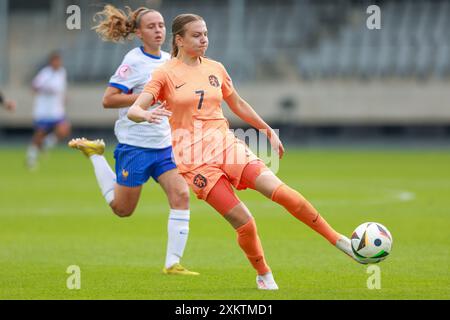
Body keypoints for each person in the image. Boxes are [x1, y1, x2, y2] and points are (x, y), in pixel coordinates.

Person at [127, 13, 362, 290]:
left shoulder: (215, 68)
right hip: (195, 163)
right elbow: (134, 110)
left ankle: (338, 240)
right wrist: (146, 114)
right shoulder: (165, 73)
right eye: (197, 35)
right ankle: (264, 274)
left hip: (227, 146)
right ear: (179, 39)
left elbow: (236, 102)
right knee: (245, 223)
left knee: (283, 193)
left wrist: (266, 130)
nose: (204, 39)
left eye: (205, 34)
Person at [68, 5, 198, 276]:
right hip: (135, 146)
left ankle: (172, 264)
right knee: (122, 209)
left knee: (182, 194)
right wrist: (145, 99)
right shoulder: (133, 62)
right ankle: (95, 155)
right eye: (151, 27)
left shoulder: (170, 60)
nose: (158, 30)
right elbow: (109, 99)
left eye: (161, 25)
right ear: (139, 32)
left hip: (164, 146)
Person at [26, 52, 71, 169]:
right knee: (39, 135)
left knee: (64, 129)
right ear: (51, 62)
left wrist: (64, 98)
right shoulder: (45, 73)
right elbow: (34, 87)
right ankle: (31, 157)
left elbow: (62, 88)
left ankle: (46, 144)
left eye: (59, 61)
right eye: (55, 61)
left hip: (56, 110)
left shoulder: (62, 72)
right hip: (43, 110)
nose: (58, 63)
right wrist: (46, 89)